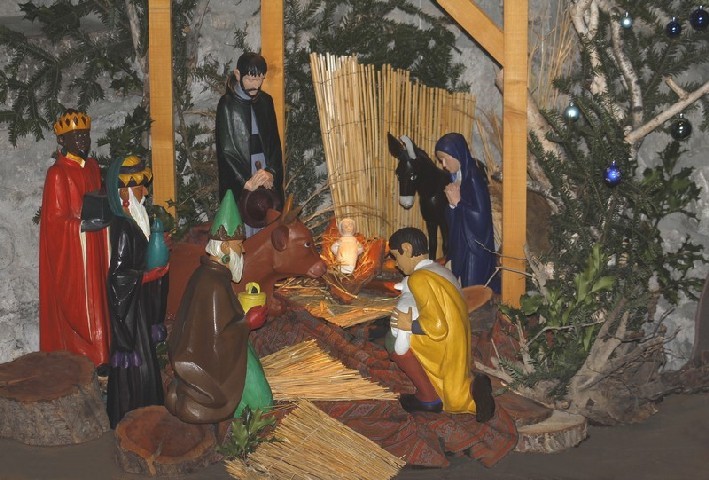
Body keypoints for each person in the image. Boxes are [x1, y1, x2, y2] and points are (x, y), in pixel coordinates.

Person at [165, 190, 272, 425]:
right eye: (239, 245)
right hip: (210, 367)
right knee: (261, 402)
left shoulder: (210, 276)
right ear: (224, 249)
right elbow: (217, 339)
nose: (243, 251)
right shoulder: (212, 283)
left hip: (223, 353)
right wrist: (247, 323)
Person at [388, 227, 495, 422]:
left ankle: (428, 398)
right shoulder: (440, 270)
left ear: (407, 249)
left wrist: (409, 325)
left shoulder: (419, 279)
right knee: (455, 392)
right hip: (458, 339)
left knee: (392, 340)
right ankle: (473, 390)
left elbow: (437, 328)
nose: (397, 264)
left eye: (396, 257)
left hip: (442, 342)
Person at [39, 109, 112, 368]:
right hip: (76, 252)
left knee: (100, 298)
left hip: (96, 245)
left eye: (85, 135)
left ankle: (103, 353)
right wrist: (81, 225)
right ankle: (88, 356)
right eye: (76, 136)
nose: (83, 140)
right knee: (84, 303)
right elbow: (54, 223)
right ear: (62, 140)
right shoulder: (57, 174)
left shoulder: (92, 167)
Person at [105, 155, 169, 428]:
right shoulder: (123, 227)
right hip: (132, 309)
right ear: (123, 192)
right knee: (138, 366)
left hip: (139, 303)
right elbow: (118, 276)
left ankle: (147, 414)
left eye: (144, 184)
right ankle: (132, 417)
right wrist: (147, 276)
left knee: (146, 364)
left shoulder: (136, 219)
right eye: (138, 186)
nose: (145, 191)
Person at [215, 51, 284, 237]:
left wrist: (272, 172)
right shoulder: (227, 105)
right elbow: (226, 150)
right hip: (242, 171)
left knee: (267, 214)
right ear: (238, 75)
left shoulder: (266, 102)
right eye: (250, 79)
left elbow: (274, 143)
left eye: (260, 79)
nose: (256, 85)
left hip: (264, 168)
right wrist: (244, 181)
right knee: (243, 221)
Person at [434, 133, 499, 291]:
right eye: (441, 160)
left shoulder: (473, 178)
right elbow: (451, 216)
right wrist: (452, 206)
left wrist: (458, 203)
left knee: (472, 287)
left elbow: (481, 216)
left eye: (445, 159)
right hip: (461, 244)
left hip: (474, 248)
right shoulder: (456, 178)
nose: (443, 165)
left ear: (457, 154)